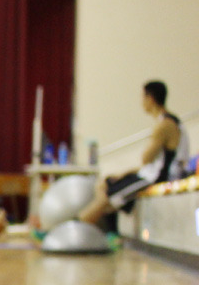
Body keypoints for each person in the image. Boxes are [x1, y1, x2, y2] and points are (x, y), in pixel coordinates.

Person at [78, 80, 191, 239]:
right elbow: (153, 162)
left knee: (107, 197)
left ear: (150, 98)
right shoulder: (165, 122)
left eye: (142, 98)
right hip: (151, 173)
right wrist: (126, 172)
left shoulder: (165, 125)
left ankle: (76, 228)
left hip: (159, 178)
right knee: (105, 183)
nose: (141, 102)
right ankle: (107, 232)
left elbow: (147, 158)